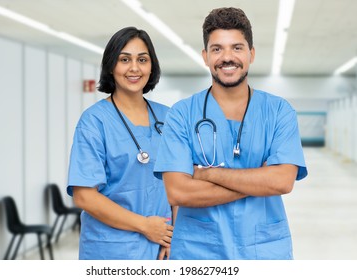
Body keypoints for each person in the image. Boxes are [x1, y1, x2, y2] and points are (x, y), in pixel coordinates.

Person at [154, 7, 308, 260]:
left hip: (263, 249)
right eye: (217, 49)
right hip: (199, 251)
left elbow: (282, 182)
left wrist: (207, 174)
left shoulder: (279, 111)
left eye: (237, 48)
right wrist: (260, 180)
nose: (227, 57)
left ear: (251, 54)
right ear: (205, 56)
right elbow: (178, 192)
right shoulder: (181, 114)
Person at [67, 26, 173, 260]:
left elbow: (180, 182)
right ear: (111, 66)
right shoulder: (94, 121)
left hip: (161, 248)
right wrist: (145, 226)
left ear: (151, 66)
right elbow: (84, 195)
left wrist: (174, 235)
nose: (134, 68)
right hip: (111, 250)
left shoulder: (168, 118)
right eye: (124, 59)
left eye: (142, 59)